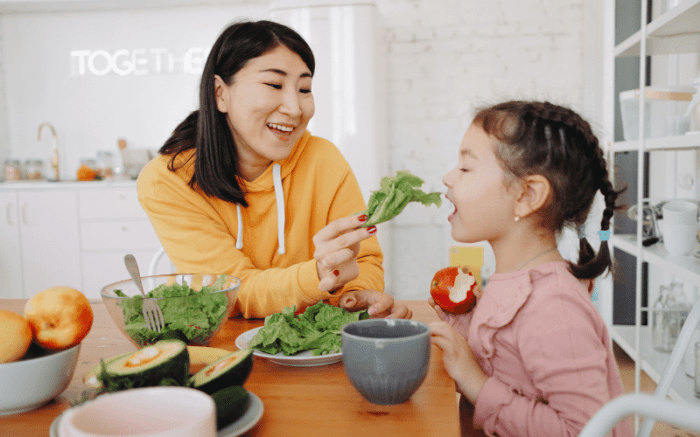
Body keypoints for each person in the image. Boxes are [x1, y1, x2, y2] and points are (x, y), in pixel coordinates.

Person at [138, 20, 410, 320]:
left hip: (307, 347)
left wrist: (355, 295)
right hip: (220, 339)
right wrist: (319, 275)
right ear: (220, 94)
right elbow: (230, 292)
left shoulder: (324, 159)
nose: (295, 108)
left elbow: (366, 261)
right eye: (274, 85)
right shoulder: (168, 180)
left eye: (304, 88)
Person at [429, 100, 633, 436]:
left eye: (466, 168)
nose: (448, 177)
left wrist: (475, 382)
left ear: (527, 194)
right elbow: (515, 371)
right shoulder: (516, 280)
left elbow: (584, 431)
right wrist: (468, 330)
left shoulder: (554, 308)